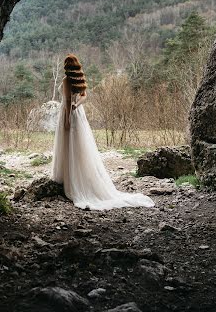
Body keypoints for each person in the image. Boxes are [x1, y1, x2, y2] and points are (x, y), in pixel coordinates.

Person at [52, 54, 155, 210]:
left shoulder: (67, 80)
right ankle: (79, 175)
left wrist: (67, 119)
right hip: (79, 114)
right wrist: (77, 105)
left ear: (66, 66)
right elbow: (84, 97)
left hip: (69, 115)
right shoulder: (79, 80)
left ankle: (70, 179)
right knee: (80, 146)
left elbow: (66, 101)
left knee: (69, 145)